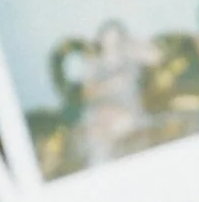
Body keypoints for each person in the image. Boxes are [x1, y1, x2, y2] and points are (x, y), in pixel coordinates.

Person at [71, 19, 165, 167]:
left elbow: (157, 57)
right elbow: (86, 94)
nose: (112, 43)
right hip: (101, 111)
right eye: (107, 38)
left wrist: (134, 45)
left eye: (116, 38)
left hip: (129, 110)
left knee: (122, 124)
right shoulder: (93, 62)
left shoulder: (130, 56)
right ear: (100, 40)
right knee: (96, 134)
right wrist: (109, 86)